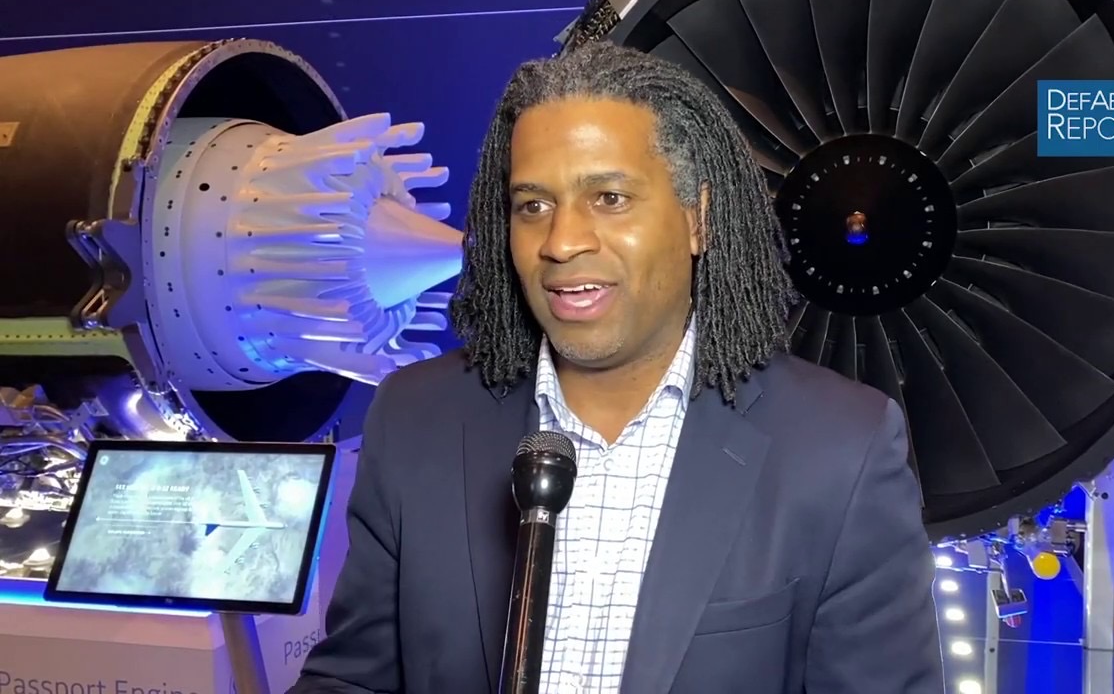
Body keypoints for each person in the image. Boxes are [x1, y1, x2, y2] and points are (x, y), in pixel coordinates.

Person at [289, 40, 943, 694]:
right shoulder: (415, 419)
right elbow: (352, 683)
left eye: (609, 197)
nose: (562, 242)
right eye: (533, 206)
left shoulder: (841, 452)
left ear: (698, 219)